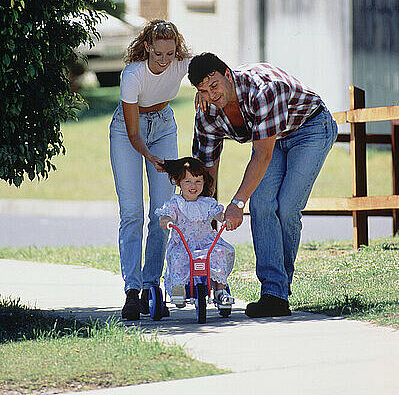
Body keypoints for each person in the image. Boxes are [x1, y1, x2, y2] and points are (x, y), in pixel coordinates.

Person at [188, 53, 338, 318]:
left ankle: (279, 292)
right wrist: (207, 210)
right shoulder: (207, 111)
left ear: (227, 73)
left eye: (214, 85)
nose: (211, 95)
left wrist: (236, 204)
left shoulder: (262, 90)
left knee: (288, 207)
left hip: (311, 127)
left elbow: (262, 155)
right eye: (204, 90)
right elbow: (206, 166)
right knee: (262, 204)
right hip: (275, 137)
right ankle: (273, 295)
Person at [109, 19, 192, 321]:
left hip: (164, 125)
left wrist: (203, 93)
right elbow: (133, 134)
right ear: (146, 47)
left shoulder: (181, 64)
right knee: (131, 212)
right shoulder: (133, 74)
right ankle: (132, 290)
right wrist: (152, 156)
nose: (164, 61)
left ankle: (150, 289)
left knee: (161, 213)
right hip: (128, 132)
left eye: (170, 54)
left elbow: (209, 70)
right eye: (158, 54)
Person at [156, 157, 235, 306]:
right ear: (179, 182)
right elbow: (166, 215)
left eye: (198, 181)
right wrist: (166, 220)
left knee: (218, 252)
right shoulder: (176, 203)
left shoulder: (207, 203)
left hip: (206, 244)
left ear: (204, 182)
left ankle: (220, 290)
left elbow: (217, 214)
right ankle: (178, 289)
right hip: (184, 244)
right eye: (188, 181)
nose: (193, 186)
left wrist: (224, 219)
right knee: (179, 256)